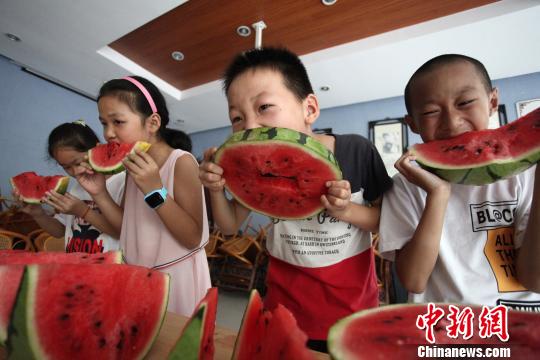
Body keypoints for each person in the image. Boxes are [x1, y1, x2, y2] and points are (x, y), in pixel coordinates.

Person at [199, 47, 392, 351]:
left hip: (352, 308)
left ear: (309, 109)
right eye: (237, 117)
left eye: (264, 107)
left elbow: (384, 219)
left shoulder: (356, 151)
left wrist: (346, 210)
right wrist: (215, 189)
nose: (249, 127)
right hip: (284, 307)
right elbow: (231, 225)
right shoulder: (249, 164)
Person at [379, 54, 540, 311]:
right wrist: (438, 195)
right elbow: (414, 280)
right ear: (412, 124)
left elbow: (536, 280)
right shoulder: (405, 186)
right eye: (431, 112)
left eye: (465, 102)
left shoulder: (527, 174)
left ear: (493, 101)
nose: (452, 122)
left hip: (519, 332)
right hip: (445, 332)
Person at [79, 76, 211, 316]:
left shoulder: (180, 162)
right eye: (103, 123)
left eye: (118, 121)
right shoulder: (133, 166)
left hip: (176, 278)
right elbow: (125, 228)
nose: (108, 133)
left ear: (152, 122)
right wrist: (99, 192)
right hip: (138, 275)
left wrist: (154, 191)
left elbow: (192, 237)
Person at [14, 121, 123, 253]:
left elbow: (121, 233)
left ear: (96, 149)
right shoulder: (76, 188)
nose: (75, 172)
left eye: (77, 163)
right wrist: (39, 214)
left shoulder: (121, 182)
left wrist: (83, 211)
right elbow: (60, 231)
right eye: (66, 167)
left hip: (109, 267)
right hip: (76, 266)